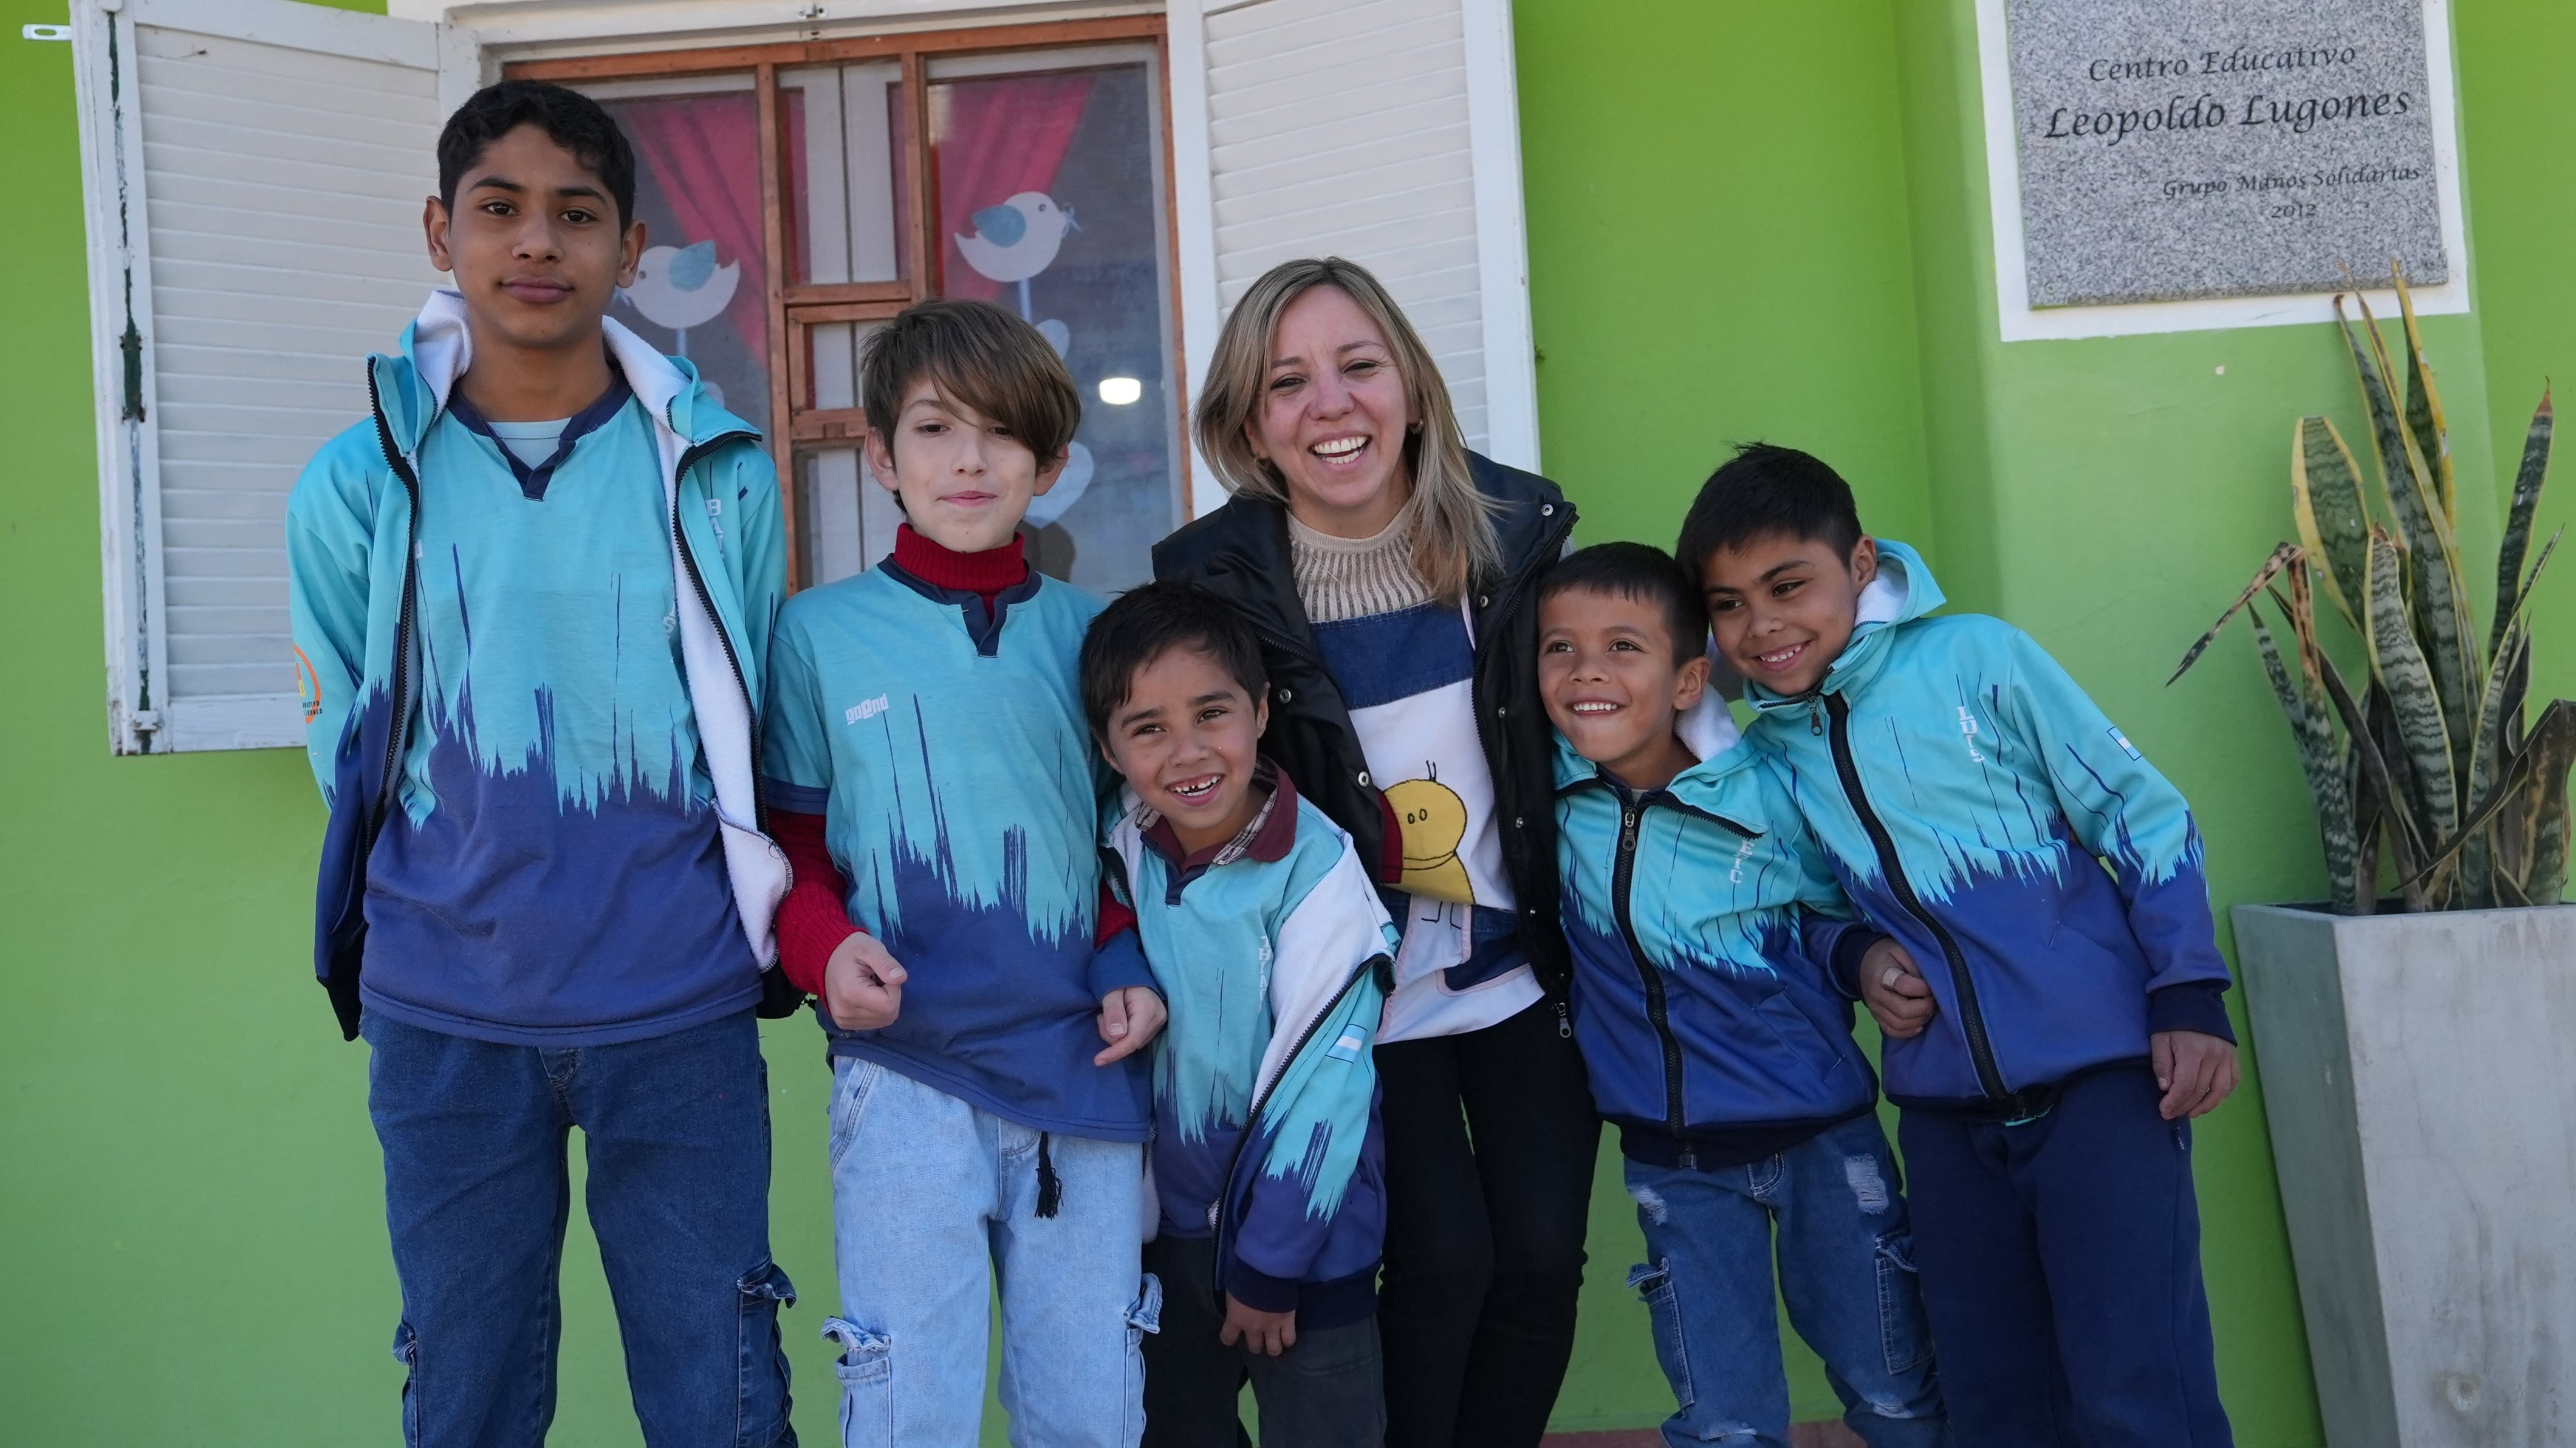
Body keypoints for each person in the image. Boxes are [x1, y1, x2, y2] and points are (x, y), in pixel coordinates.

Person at [286, 81, 797, 1446]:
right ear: (440, 232)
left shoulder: (721, 469)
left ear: (632, 252)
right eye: (500, 210)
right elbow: (347, 731)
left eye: (578, 215)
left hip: (679, 1002)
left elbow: (743, 710)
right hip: (445, 1009)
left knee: (724, 1393)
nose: (537, 243)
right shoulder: (356, 482)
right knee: (464, 1393)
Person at [1683, 443, 2239, 1445]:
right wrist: (1858, 959)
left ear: (1858, 565)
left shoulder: (1978, 660)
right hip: (1943, 1124)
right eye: (1727, 604)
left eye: (1786, 585)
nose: (1761, 625)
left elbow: (2141, 817)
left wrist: (2188, 993)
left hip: (2105, 1087)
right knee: (1993, 1400)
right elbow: (1803, 910)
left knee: (2136, 1386)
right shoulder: (1767, 752)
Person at [1156, 256, 1597, 1447]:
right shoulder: (1213, 581)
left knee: (1542, 1260)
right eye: (1287, 382)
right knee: (1443, 1258)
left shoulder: (1516, 535)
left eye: (1358, 366)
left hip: (1517, 977)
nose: (1330, 404)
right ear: (1249, 423)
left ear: (1409, 383)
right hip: (1360, 994)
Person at [759, 298, 1168, 1448]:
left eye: (1003, 432)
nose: (972, 459)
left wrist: (1128, 958)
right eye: (937, 429)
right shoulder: (818, 635)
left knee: (1091, 1411)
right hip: (906, 1082)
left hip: (1083, 1076)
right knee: (908, 1410)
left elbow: (1118, 846)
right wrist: (822, 949)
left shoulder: (1100, 640)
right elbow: (793, 847)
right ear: (882, 455)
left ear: (1051, 463)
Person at [1536, 543, 1945, 1448]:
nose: (1587, 670)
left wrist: (1868, 961)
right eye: (1559, 648)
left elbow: (1826, 916)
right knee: (1721, 1422)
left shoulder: (1764, 788)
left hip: (1824, 1141)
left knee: (1894, 1392)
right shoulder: (1546, 805)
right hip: (1674, 1165)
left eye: (1622, 648)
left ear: (1689, 681)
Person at [1082, 580, 1400, 1448]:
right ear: (1111, 750)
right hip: (1166, 1244)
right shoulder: (1121, 842)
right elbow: (1104, 928)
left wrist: (1270, 1264)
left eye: (1211, 714)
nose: (1187, 753)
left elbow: (1328, 1084)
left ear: (1260, 712)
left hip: (1306, 1252)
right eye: (1147, 729)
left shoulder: (1320, 872)